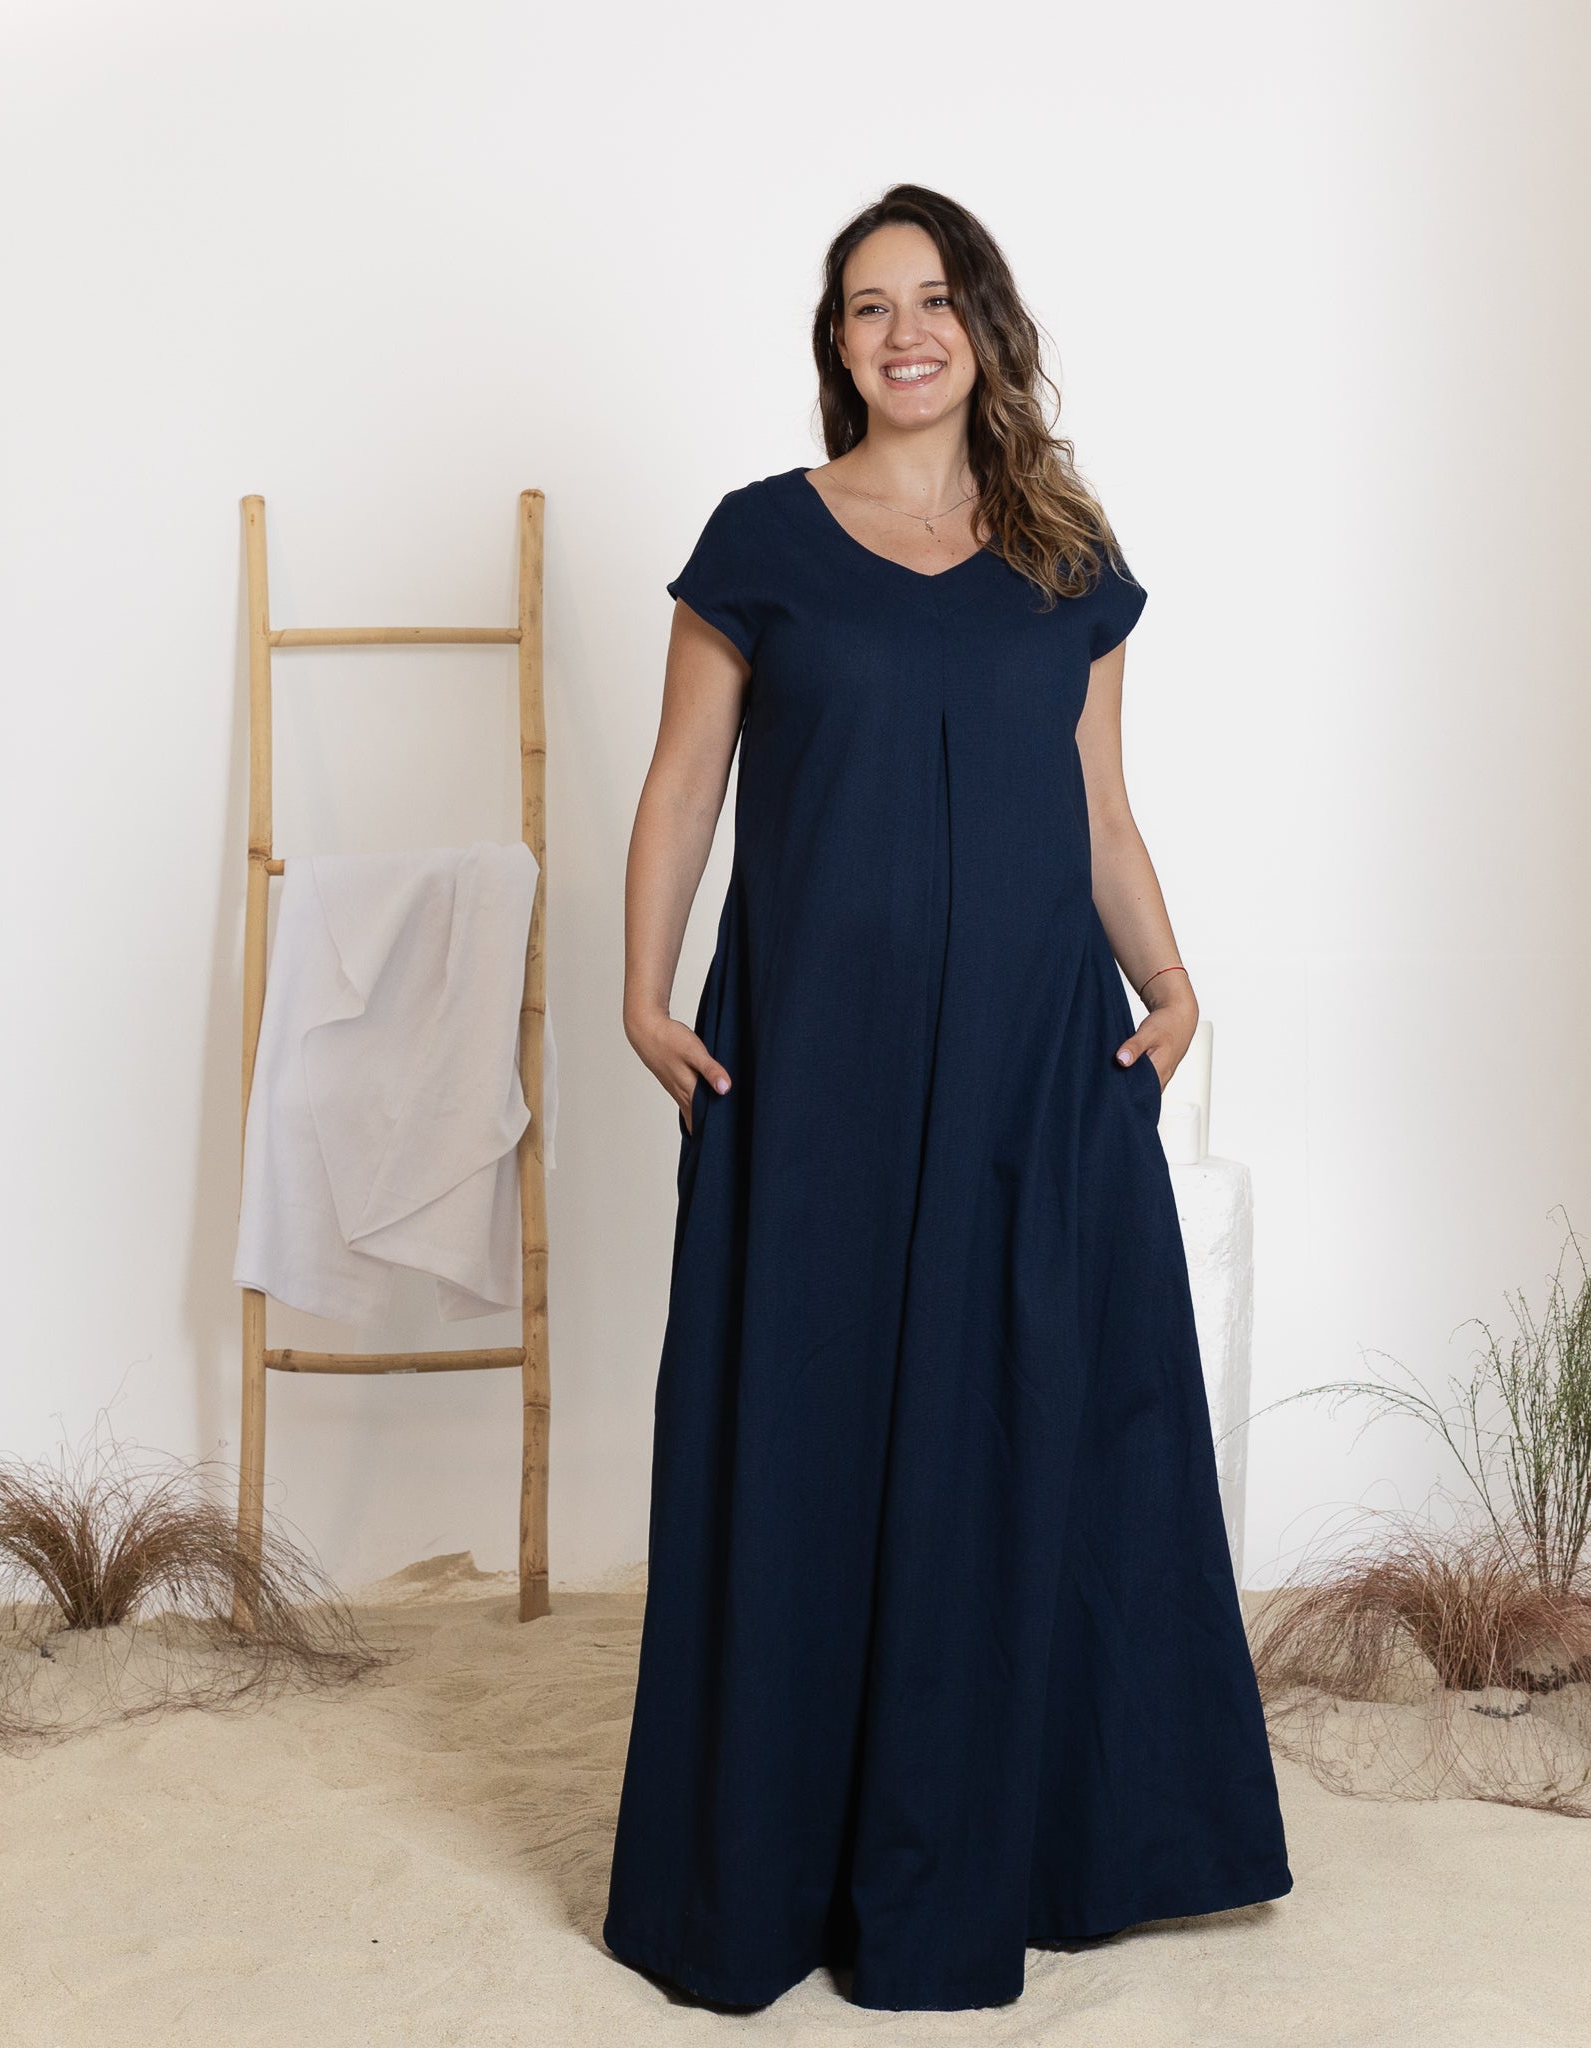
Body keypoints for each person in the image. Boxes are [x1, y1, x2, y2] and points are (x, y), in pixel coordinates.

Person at [604, 182, 1291, 2014]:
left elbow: (1099, 809)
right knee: (805, 1437)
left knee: (1036, 1431)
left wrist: (1170, 978)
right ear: (835, 345)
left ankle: (1045, 1844)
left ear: (982, 326)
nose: (902, 332)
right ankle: (779, 1871)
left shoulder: (1066, 554)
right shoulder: (759, 537)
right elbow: (681, 784)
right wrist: (640, 991)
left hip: (1024, 1070)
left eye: (931, 300)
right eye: (866, 305)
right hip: (811, 1074)